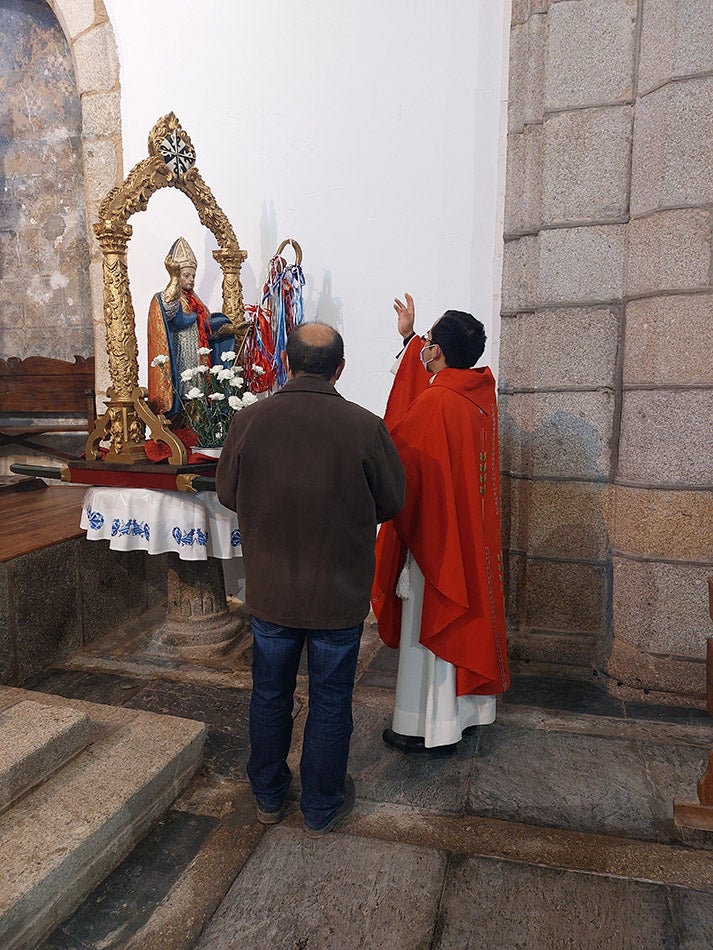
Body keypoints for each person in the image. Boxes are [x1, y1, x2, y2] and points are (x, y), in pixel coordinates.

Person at [216, 322, 405, 836]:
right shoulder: (365, 427)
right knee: (330, 699)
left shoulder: (250, 421)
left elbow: (228, 494)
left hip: (273, 591)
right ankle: (321, 805)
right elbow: (391, 502)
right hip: (337, 595)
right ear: (339, 368)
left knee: (270, 694)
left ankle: (269, 797)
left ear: (286, 361)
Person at [372, 293, 510, 756]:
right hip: (470, 535)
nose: (422, 348)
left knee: (429, 624)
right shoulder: (477, 396)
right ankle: (466, 716)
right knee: (469, 612)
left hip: (436, 541)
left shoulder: (436, 404)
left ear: (441, 352)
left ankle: (426, 724)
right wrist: (409, 335)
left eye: (427, 341)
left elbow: (400, 465)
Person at [147, 236, 235, 415]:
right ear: (176, 275)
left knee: (200, 396)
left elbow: (208, 328)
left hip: (199, 358)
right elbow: (171, 311)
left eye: (193, 275)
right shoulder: (171, 297)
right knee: (186, 394)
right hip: (182, 359)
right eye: (186, 275)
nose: (191, 279)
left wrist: (231, 329)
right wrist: (173, 279)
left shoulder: (196, 301)